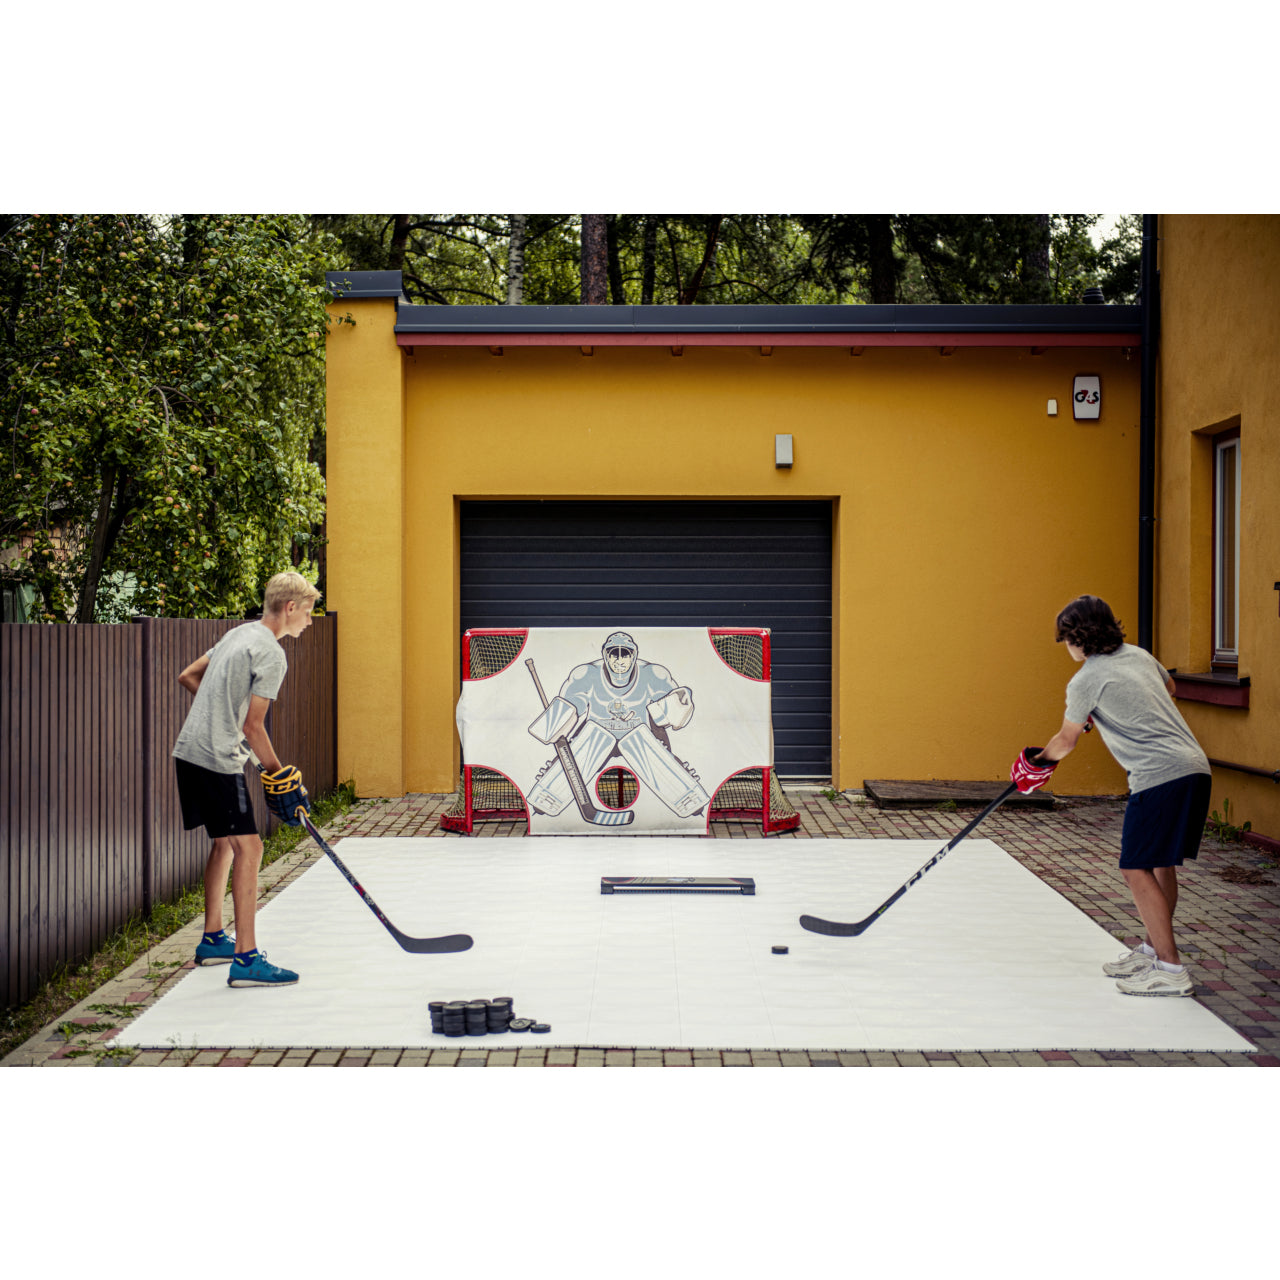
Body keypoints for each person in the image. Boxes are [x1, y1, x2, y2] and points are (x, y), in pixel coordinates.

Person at [1011, 594, 1212, 997]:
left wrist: (1037, 765)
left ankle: (1171, 970)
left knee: (1134, 866)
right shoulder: (1138, 656)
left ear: (1077, 637)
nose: (1065, 645)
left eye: (1065, 638)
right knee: (1159, 864)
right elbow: (1169, 688)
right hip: (1193, 767)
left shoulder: (1086, 679)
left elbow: (1066, 741)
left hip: (1159, 776)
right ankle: (1155, 952)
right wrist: (1114, 710)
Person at [172, 571, 320, 987]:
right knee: (250, 848)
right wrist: (280, 777)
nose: (309, 621)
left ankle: (214, 938)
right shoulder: (272, 653)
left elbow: (188, 676)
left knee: (224, 844)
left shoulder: (238, 635)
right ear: (289, 608)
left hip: (189, 751)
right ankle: (246, 959)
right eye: (307, 612)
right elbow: (255, 727)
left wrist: (222, 719)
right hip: (217, 760)